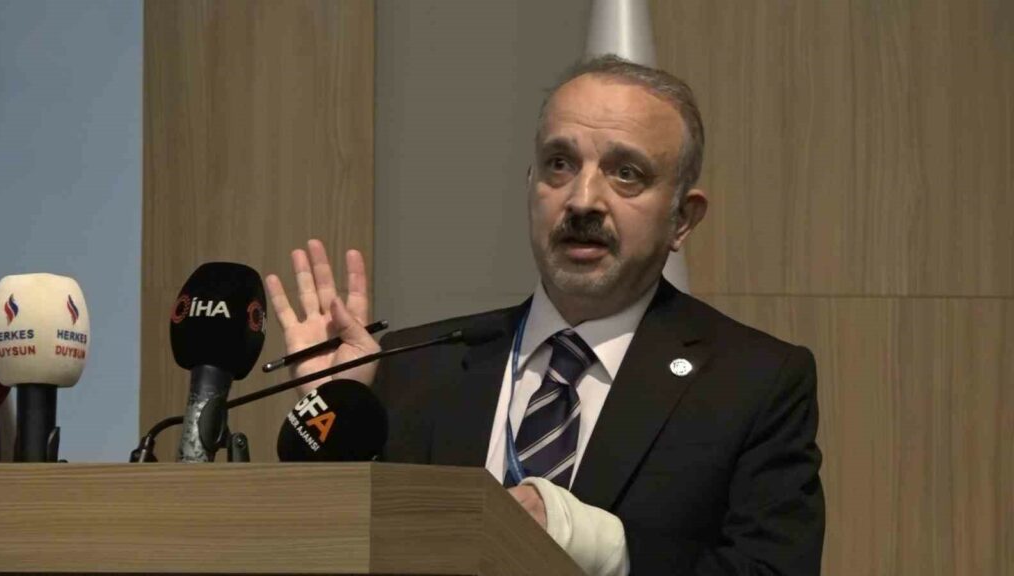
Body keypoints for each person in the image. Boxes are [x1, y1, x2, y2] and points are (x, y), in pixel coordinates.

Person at [265, 55, 824, 575]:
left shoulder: (753, 383)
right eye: (559, 164)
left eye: (626, 173)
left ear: (682, 218)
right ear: (530, 186)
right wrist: (334, 421)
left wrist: (595, 541)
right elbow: (333, 550)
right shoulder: (409, 367)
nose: (582, 200)